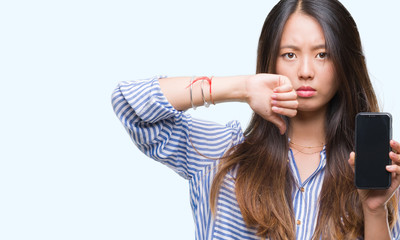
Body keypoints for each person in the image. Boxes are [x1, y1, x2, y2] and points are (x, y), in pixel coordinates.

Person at [112, 0, 400, 239]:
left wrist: (374, 211)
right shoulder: (221, 153)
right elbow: (130, 103)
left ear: (344, 63)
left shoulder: (375, 172)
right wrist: (243, 87)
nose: (305, 71)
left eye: (322, 54)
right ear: (270, 61)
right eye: (289, 54)